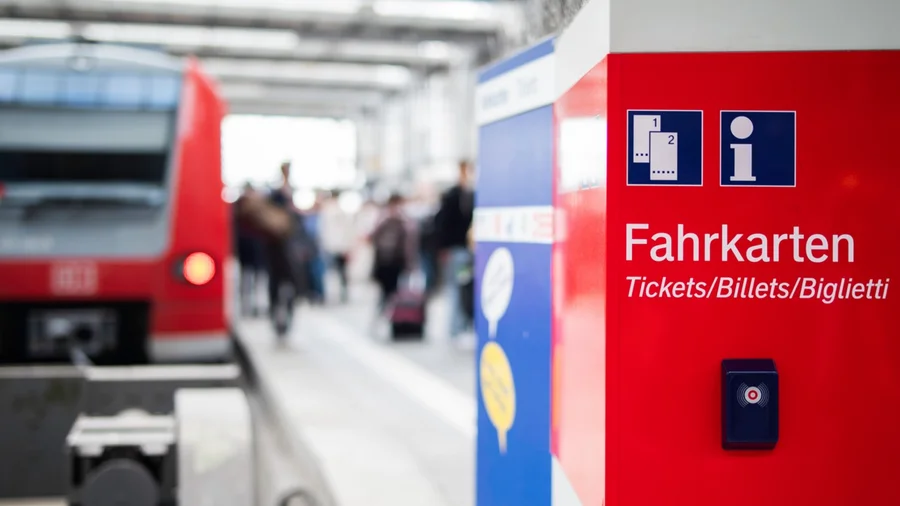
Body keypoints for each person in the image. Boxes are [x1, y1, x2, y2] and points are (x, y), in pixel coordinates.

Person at [434, 160, 475, 344]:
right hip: (457, 252)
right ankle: (455, 328)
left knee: (460, 287)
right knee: (458, 288)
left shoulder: (465, 195)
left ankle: (458, 327)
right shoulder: (455, 196)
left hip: (461, 251)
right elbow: (443, 225)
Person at [369, 194, 416, 313]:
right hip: (393, 260)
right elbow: (410, 242)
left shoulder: (382, 217)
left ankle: (387, 313)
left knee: (390, 291)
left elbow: (372, 236)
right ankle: (389, 313)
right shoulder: (403, 219)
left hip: (387, 260)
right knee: (392, 290)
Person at [233, 183, 267, 316]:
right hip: (248, 250)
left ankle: (254, 305)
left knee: (257, 279)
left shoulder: (253, 207)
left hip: (256, 250)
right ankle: (248, 305)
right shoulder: (241, 206)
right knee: (249, 279)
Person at [319, 190, 356, 302]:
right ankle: (340, 293)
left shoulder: (327, 211)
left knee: (333, 272)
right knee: (338, 272)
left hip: (334, 246)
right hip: (338, 246)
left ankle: (336, 293)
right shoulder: (335, 211)